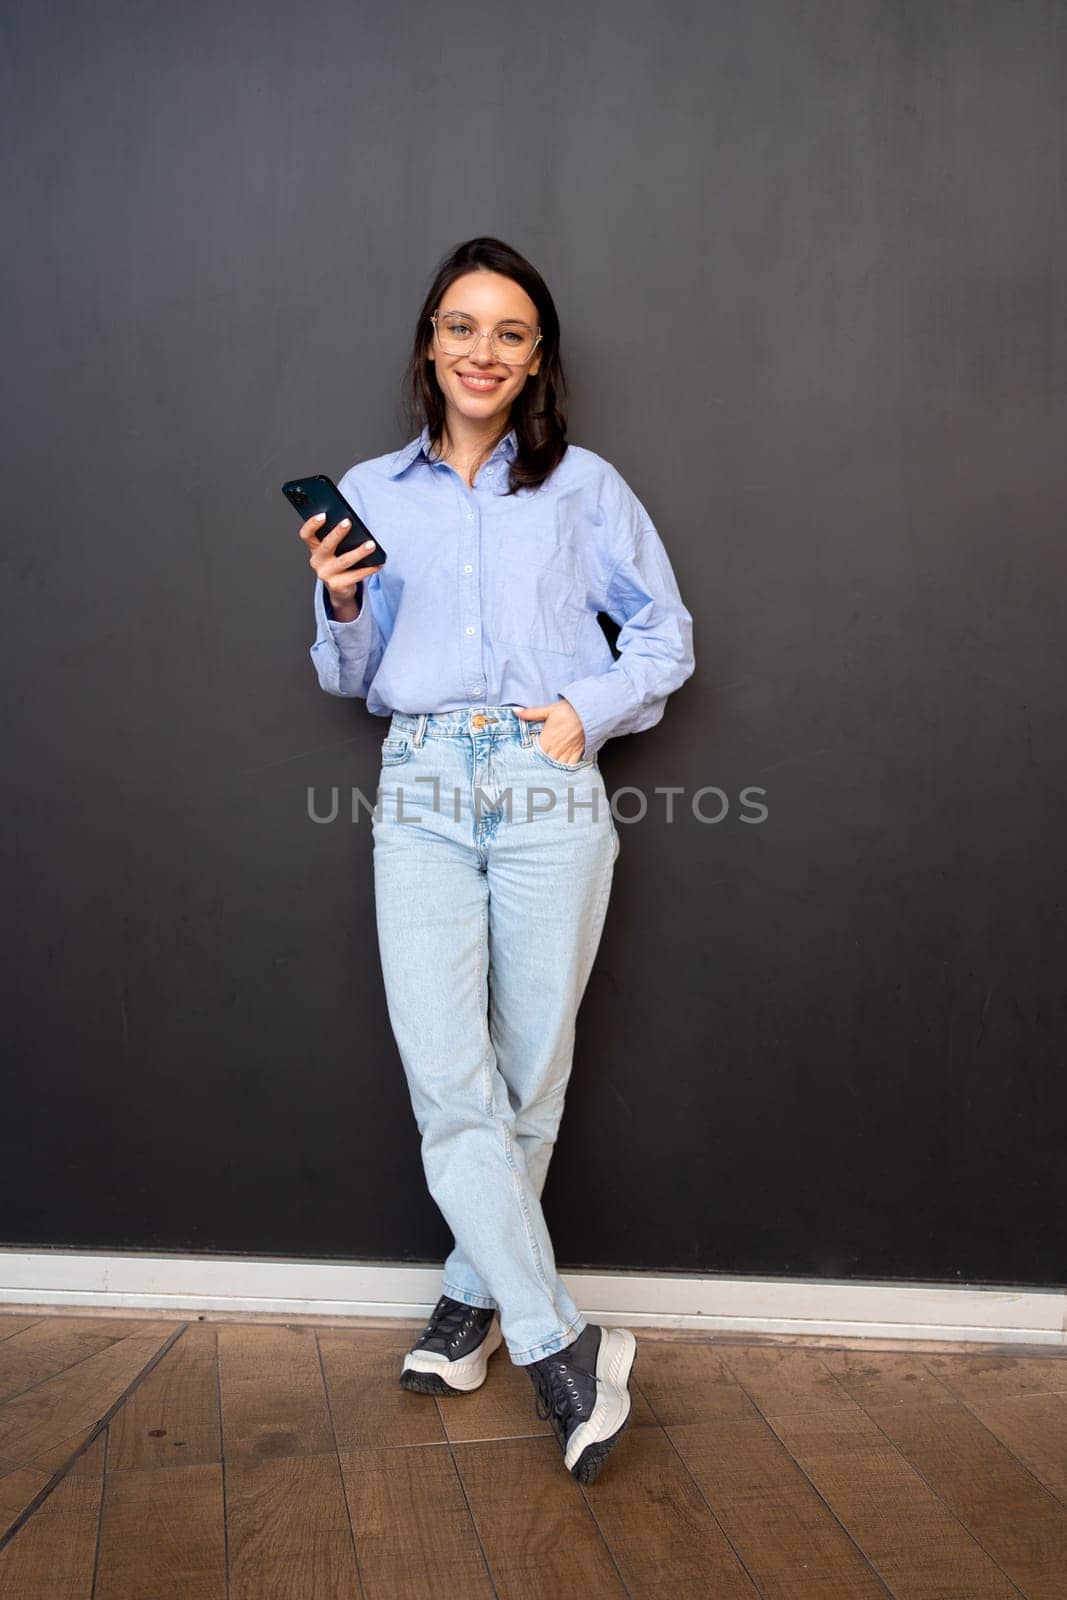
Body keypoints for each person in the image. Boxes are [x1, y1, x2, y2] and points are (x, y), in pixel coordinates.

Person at [299, 236, 695, 1483]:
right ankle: (561, 1345)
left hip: (543, 785)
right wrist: (344, 604)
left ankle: (467, 1311)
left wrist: (587, 707)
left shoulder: (583, 486)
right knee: (449, 1079)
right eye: (461, 327)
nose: (482, 351)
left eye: (509, 333)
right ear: (429, 341)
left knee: (528, 1072)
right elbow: (357, 684)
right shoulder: (374, 488)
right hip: (417, 781)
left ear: (536, 360)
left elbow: (664, 636)